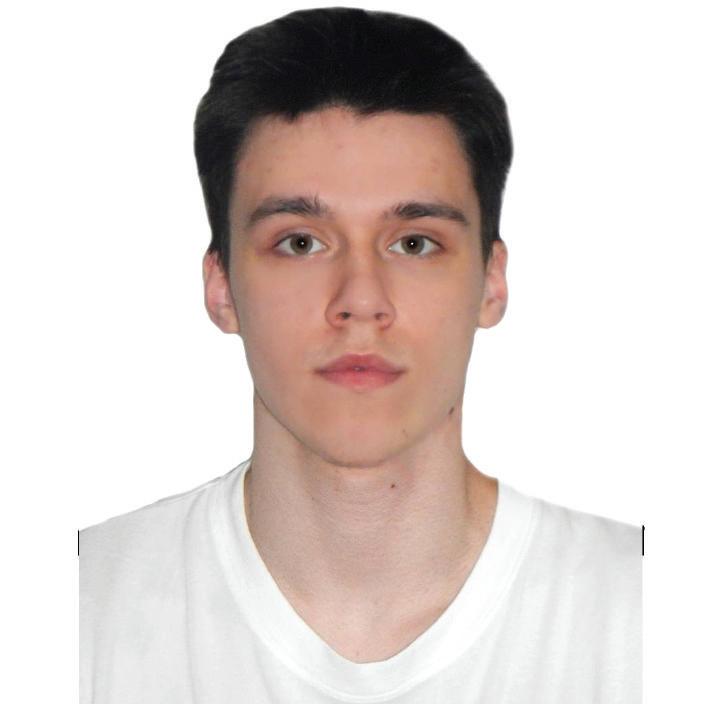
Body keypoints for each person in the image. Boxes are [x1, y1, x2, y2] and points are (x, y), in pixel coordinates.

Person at [79, 7, 642, 702]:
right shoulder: (77, 612)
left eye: (414, 243)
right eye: (300, 242)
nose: (361, 300)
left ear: (491, 282)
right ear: (221, 287)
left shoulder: (644, 616)